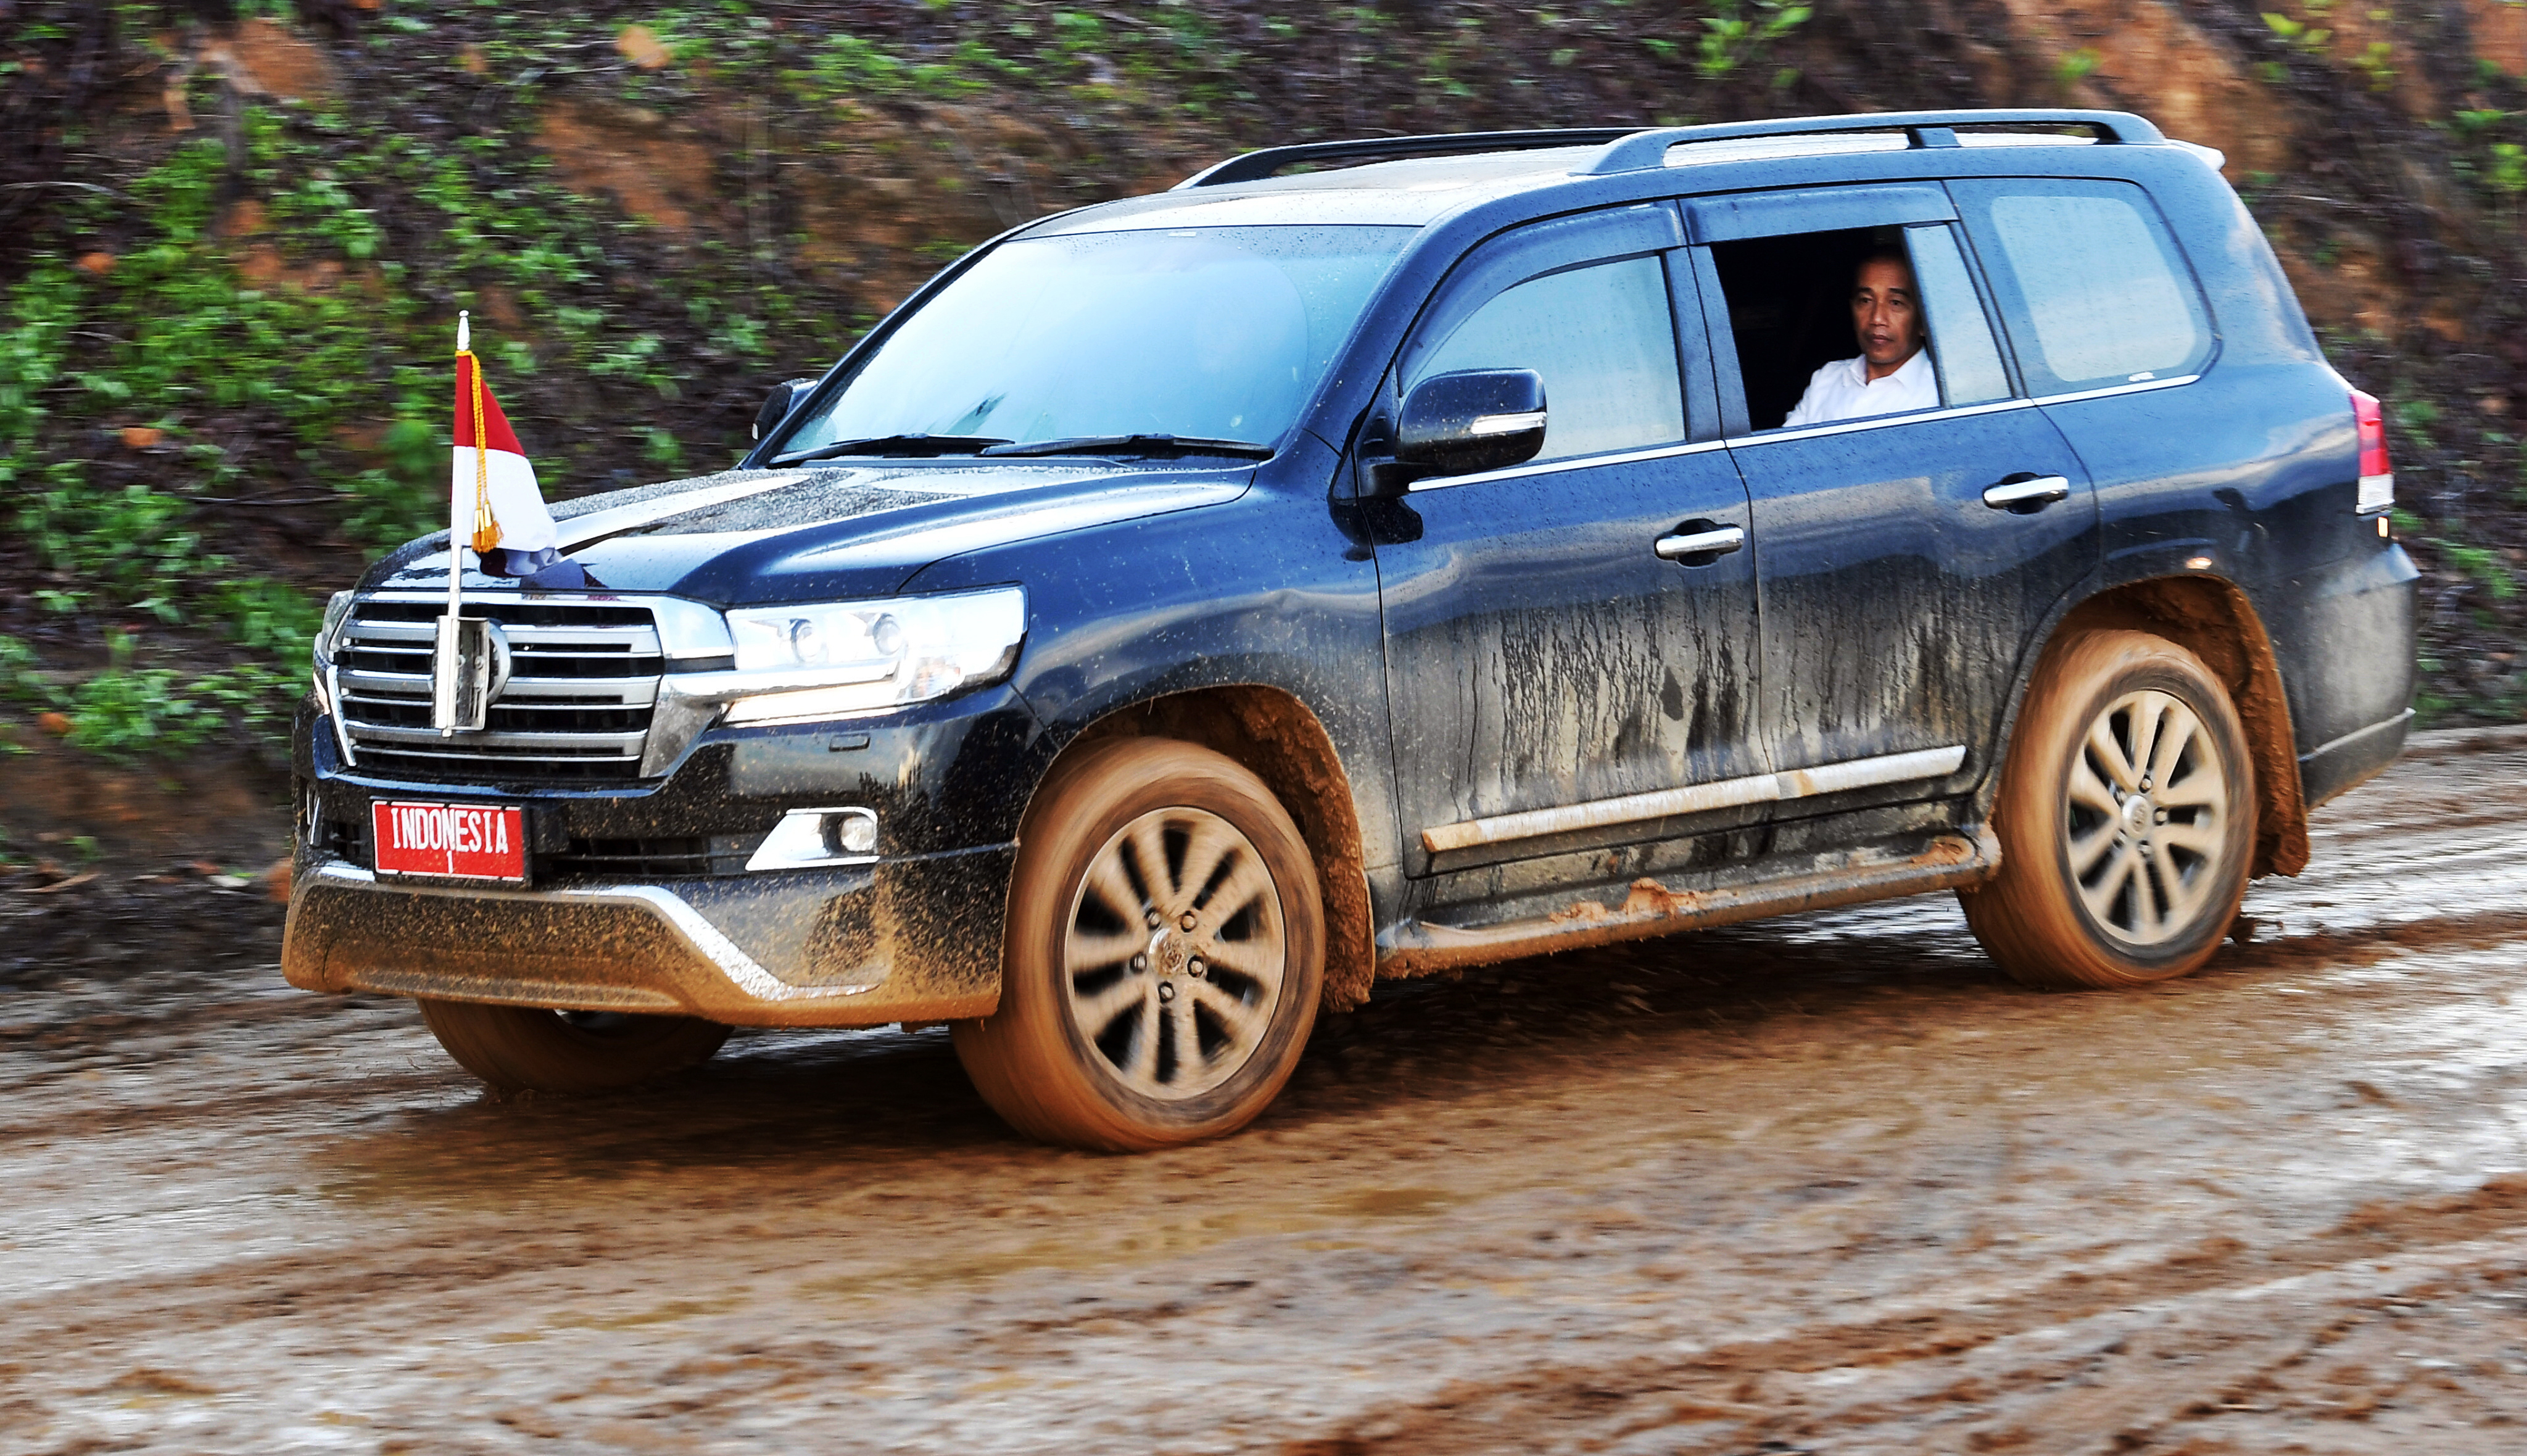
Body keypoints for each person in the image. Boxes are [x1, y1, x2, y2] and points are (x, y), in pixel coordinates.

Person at [1780, 248, 1938, 428]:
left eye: (1896, 303)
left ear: (1924, 320)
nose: (1877, 318)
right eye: (1865, 300)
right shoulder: (1827, 379)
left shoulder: (1940, 395)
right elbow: (1787, 452)